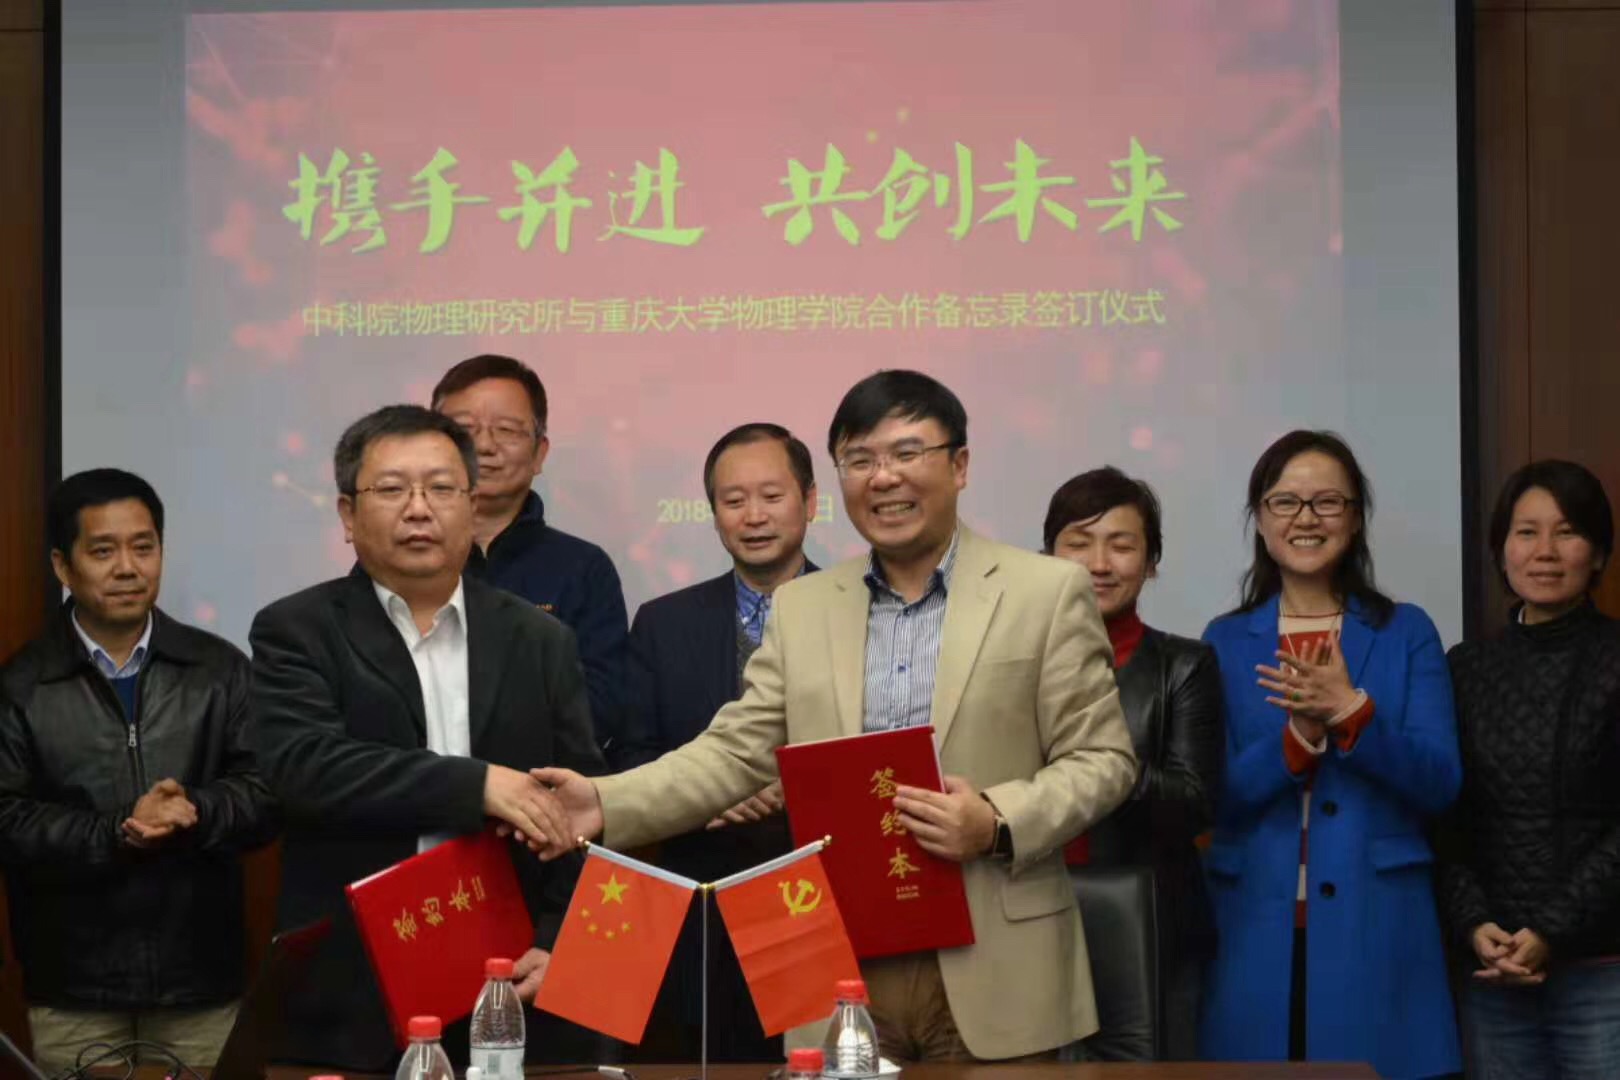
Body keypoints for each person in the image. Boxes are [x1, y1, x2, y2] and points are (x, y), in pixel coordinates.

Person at [532, 370, 1138, 1064]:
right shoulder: (805, 606)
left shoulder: (1045, 591)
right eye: (859, 459)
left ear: (960, 465)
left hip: (995, 963)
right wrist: (603, 802)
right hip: (840, 962)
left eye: (907, 452)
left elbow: (1104, 760)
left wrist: (998, 820)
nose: (884, 477)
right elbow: (732, 751)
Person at [250, 406, 604, 1070]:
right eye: (392, 489)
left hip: (509, 977)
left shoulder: (540, 639)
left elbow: (580, 807)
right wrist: (480, 785)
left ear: (472, 507)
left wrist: (559, 938)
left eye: (441, 488)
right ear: (348, 515)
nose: (419, 509)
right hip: (355, 987)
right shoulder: (296, 630)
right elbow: (306, 767)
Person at [1198, 430, 1462, 1078]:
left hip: (1379, 923)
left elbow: (1440, 782)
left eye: (1328, 502)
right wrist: (1296, 740)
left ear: (1355, 517)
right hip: (1255, 924)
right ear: (1261, 520)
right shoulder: (1225, 640)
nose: (1306, 518)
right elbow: (1213, 799)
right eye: (1286, 502)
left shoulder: (1406, 631)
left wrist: (1350, 713)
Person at [0, 469, 276, 1073]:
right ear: (63, 566)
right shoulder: (22, 686)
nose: (128, 567)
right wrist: (119, 829)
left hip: (201, 983)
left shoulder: (219, 670)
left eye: (143, 547)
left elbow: (267, 792)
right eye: (103, 551)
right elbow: (9, 821)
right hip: (75, 991)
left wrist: (195, 811)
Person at [630, 422, 819, 1062]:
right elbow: (631, 754)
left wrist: (790, 789)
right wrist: (707, 796)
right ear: (713, 514)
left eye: (772, 496)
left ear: (810, 502)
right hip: (695, 898)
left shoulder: (860, 610)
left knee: (810, 1062)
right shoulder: (662, 623)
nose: (754, 516)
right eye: (734, 501)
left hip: (814, 893)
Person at [1438, 460, 1620, 1080]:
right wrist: (1473, 925)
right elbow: (1444, 815)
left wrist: (1549, 930)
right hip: (1491, 972)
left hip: (1602, 971)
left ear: (1598, 553)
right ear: (1501, 550)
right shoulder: (1465, 667)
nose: (1545, 551)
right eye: (1526, 532)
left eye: (1567, 532)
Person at [1042, 466, 1223, 1061]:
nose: (1099, 564)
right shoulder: (1010, 663)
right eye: (1079, 543)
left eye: (1121, 545)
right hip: (1031, 922)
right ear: (1047, 557)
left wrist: (1098, 764)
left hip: (1151, 928)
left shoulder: (1184, 666)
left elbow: (1194, 803)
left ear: (1150, 564)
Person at [431, 354, 635, 766]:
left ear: (540, 453)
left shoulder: (583, 568)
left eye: (506, 430)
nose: (484, 446)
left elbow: (598, 709)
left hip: (542, 794)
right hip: (417, 791)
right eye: (464, 430)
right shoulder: (397, 559)